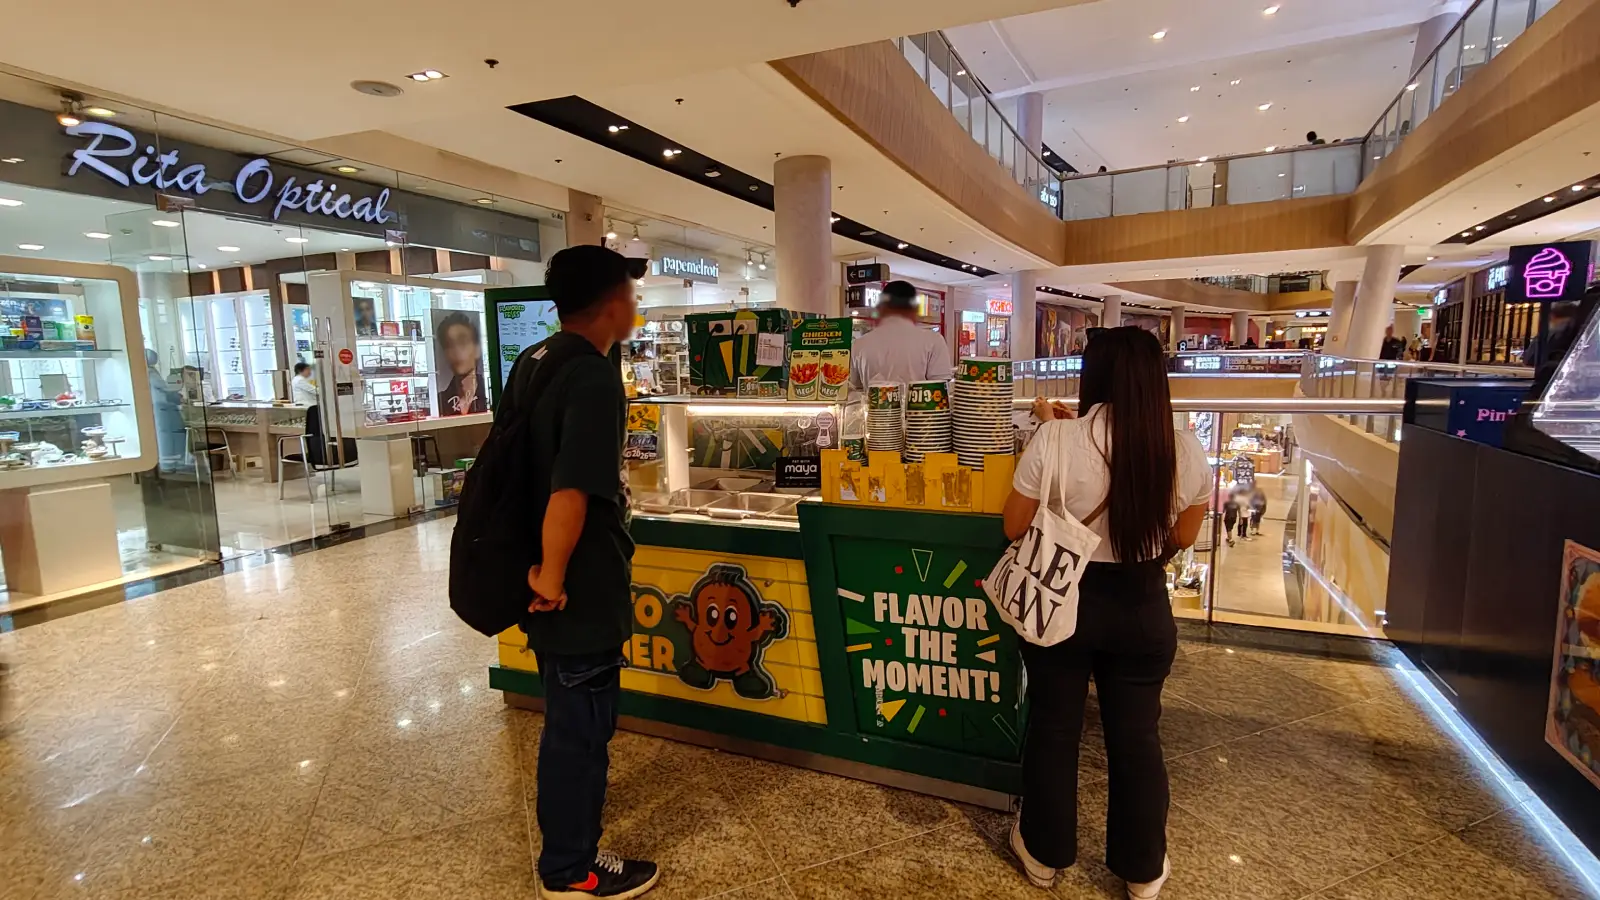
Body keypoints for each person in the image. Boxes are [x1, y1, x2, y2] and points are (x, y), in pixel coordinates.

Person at [1002, 326, 1211, 899]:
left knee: (1054, 726)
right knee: (1137, 737)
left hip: (1063, 599)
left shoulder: (1056, 439)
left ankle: (1044, 855)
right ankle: (1142, 871)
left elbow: (1014, 526)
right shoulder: (1185, 449)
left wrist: (1055, 433)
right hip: (1141, 602)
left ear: (1093, 377)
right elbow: (1182, 536)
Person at [508, 244, 659, 900]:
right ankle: (571, 870)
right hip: (577, 587)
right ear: (608, 305)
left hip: (539, 573)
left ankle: (569, 852)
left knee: (568, 719)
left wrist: (534, 569)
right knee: (581, 731)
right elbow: (570, 492)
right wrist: (556, 574)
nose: (636, 304)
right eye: (630, 293)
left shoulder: (533, 360)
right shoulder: (594, 378)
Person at [849, 280, 952, 391]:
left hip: (873, 406)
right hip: (918, 407)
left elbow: (856, 389)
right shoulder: (933, 341)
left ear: (881, 308)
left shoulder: (859, 344)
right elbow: (941, 389)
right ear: (915, 309)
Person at [436, 312, 488, 415]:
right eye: (449, 345)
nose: (456, 350)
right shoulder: (440, 402)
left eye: (462, 342)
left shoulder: (490, 396)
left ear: (477, 349)